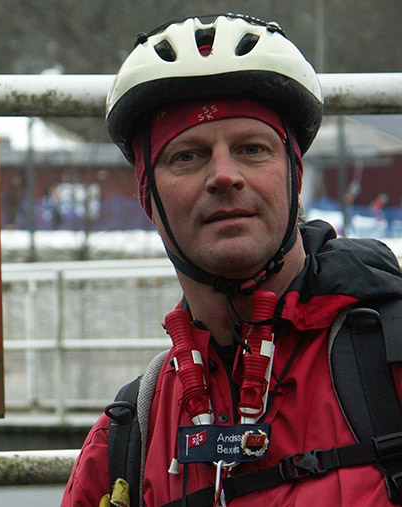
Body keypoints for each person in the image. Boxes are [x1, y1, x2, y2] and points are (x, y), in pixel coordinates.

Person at [62, 13, 402, 507]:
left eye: (251, 148)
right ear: (148, 198)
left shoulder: (390, 365)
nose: (224, 175)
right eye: (187, 156)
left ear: (294, 176)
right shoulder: (127, 438)